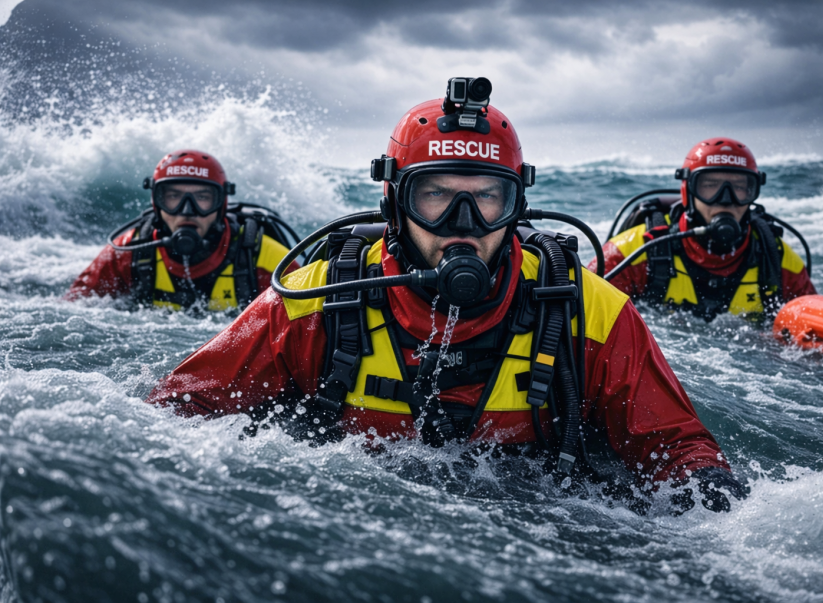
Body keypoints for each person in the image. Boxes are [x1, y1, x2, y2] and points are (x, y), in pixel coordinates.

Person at [146, 80, 745, 512]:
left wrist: (715, 500)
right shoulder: (308, 305)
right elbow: (173, 414)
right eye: (435, 196)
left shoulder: (591, 311)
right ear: (393, 204)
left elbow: (675, 446)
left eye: (488, 198)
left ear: (517, 207)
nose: (464, 223)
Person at [590, 138, 816, 321]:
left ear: (753, 193)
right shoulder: (632, 251)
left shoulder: (777, 259)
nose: (726, 200)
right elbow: (585, 315)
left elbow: (812, 326)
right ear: (688, 191)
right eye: (710, 186)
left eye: (739, 188)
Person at [66, 150, 297, 312]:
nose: (187, 211)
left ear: (221, 204)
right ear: (157, 202)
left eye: (203, 198)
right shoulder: (128, 251)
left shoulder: (264, 258)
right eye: (173, 197)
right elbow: (74, 308)